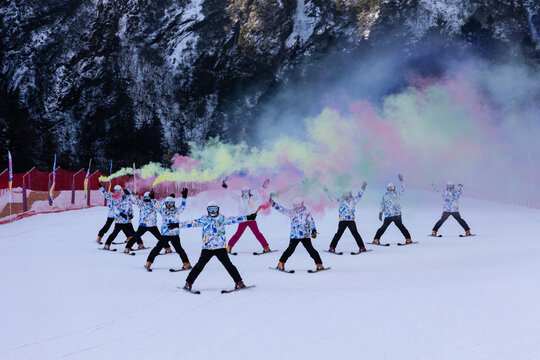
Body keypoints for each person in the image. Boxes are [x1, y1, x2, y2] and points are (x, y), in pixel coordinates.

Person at [179, 201, 257, 291]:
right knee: (199, 266)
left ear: (218, 210)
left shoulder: (222, 219)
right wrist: (176, 225)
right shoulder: (204, 219)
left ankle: (239, 282)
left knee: (229, 266)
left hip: (220, 248)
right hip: (207, 248)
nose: (213, 211)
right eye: (210, 209)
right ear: (207, 210)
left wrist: (248, 217)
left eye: (215, 209)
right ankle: (188, 283)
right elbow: (191, 223)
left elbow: (234, 219)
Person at [271, 197, 324, 271]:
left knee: (310, 250)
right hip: (296, 235)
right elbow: (282, 210)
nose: (296, 207)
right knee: (290, 250)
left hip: (303, 235)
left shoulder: (306, 212)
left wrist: (313, 230)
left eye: (297, 205)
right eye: (295, 205)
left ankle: (319, 264)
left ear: (301, 204)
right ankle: (281, 263)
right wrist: (273, 204)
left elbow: (311, 222)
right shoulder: (293, 212)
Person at [144, 189, 191, 271]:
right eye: (168, 203)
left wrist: (184, 197)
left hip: (174, 235)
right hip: (165, 235)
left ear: (174, 204)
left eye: (171, 203)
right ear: (165, 204)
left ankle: (186, 263)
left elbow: (183, 206)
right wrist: (152, 198)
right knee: (157, 248)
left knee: (179, 249)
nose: (169, 205)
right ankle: (149, 262)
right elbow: (156, 205)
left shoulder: (177, 211)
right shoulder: (163, 210)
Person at [222, 179, 271, 253]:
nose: (245, 193)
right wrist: (226, 187)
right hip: (243, 220)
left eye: (247, 191)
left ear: (249, 191)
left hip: (251, 220)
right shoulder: (239, 198)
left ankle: (266, 247)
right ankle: (229, 247)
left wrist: (263, 186)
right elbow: (231, 193)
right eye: (244, 192)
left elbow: (259, 192)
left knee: (257, 233)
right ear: (242, 192)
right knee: (238, 234)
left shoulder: (253, 198)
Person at [324, 181, 368, 253]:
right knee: (338, 234)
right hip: (343, 220)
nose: (348, 195)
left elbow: (360, 195)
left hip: (351, 220)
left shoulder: (353, 200)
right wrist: (326, 191)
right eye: (347, 194)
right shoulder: (340, 200)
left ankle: (362, 247)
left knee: (355, 234)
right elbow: (332, 197)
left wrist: (363, 187)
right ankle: (332, 247)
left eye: (349, 193)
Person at [373, 174, 412, 244]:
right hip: (388, 215)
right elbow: (382, 204)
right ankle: (376, 239)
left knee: (401, 227)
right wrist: (380, 212)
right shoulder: (385, 196)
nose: (390, 189)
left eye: (391, 188)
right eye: (389, 188)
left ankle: (408, 239)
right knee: (383, 228)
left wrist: (401, 180)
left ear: (394, 188)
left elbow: (403, 188)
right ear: (387, 188)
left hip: (397, 215)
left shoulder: (397, 194)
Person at [99, 184, 136, 250]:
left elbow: (130, 199)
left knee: (125, 228)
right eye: (116, 191)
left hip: (121, 218)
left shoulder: (123, 197)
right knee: (107, 227)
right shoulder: (112, 196)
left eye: (118, 191)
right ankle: (100, 236)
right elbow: (105, 194)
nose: (117, 192)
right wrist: (101, 188)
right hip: (113, 214)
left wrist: (130, 214)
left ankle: (129, 238)